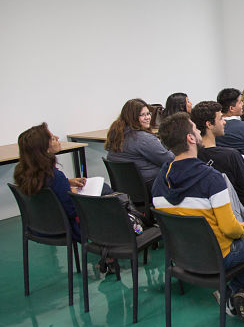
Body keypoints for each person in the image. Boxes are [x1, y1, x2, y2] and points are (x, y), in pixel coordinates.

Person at [152, 112, 244, 323]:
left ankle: (235, 292)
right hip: (218, 255)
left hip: (183, 256)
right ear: (190, 138)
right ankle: (235, 290)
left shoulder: (161, 179)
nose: (198, 130)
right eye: (195, 128)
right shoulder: (212, 178)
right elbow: (230, 230)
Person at [14, 123, 115, 269]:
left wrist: (68, 183)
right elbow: (73, 210)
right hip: (67, 227)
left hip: (39, 226)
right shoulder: (55, 176)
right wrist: (73, 194)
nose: (56, 138)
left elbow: (48, 190)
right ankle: (112, 251)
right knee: (108, 197)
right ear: (45, 148)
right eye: (51, 138)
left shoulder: (23, 174)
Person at [190, 101, 244, 214]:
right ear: (209, 124)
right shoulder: (231, 155)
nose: (224, 122)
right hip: (242, 213)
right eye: (221, 118)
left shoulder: (193, 155)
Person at [105, 98, 174, 191]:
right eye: (142, 115)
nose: (148, 117)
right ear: (132, 117)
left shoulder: (116, 134)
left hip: (126, 189)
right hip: (149, 187)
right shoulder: (143, 138)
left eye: (148, 113)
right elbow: (169, 160)